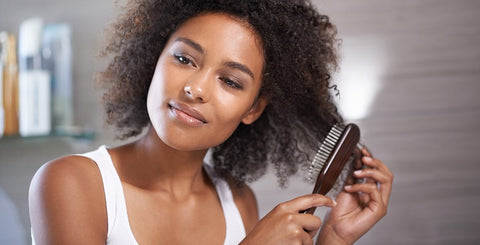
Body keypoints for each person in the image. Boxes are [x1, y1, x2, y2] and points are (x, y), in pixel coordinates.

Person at [29, 0, 394, 244]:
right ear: (153, 58)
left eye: (231, 81)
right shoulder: (73, 183)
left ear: (253, 108)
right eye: (185, 59)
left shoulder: (237, 202)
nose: (195, 88)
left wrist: (333, 240)